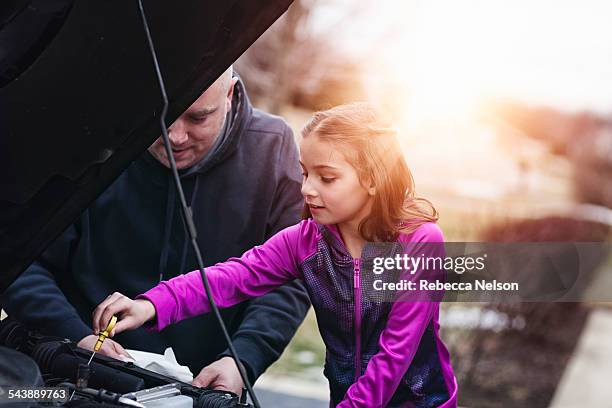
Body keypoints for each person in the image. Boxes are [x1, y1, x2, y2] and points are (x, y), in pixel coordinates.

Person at [92, 103, 458, 407]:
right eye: (304, 173)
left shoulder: (420, 243)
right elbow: (230, 277)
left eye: (327, 178)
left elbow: (395, 353)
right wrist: (151, 304)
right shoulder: (304, 242)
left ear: (374, 178)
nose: (307, 189)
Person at [3, 67, 310, 395]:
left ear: (230, 95)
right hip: (67, 369)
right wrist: (75, 337)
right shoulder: (87, 132)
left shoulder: (273, 149)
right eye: (159, 115)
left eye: (198, 118)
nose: (175, 136)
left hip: (192, 389)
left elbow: (290, 276)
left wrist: (242, 360)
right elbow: (19, 254)